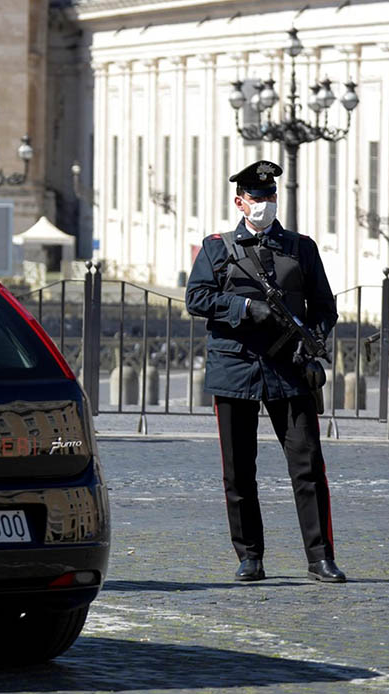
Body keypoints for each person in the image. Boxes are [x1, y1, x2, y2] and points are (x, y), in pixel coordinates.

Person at [185, 160, 344, 583]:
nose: (265, 203)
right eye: (257, 198)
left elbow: (325, 308)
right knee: (239, 470)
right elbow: (197, 299)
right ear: (240, 202)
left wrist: (314, 340)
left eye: (270, 196)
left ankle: (320, 557)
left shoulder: (300, 248)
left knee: (308, 465)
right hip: (234, 367)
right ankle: (250, 556)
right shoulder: (217, 247)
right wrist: (242, 307)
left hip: (288, 368)